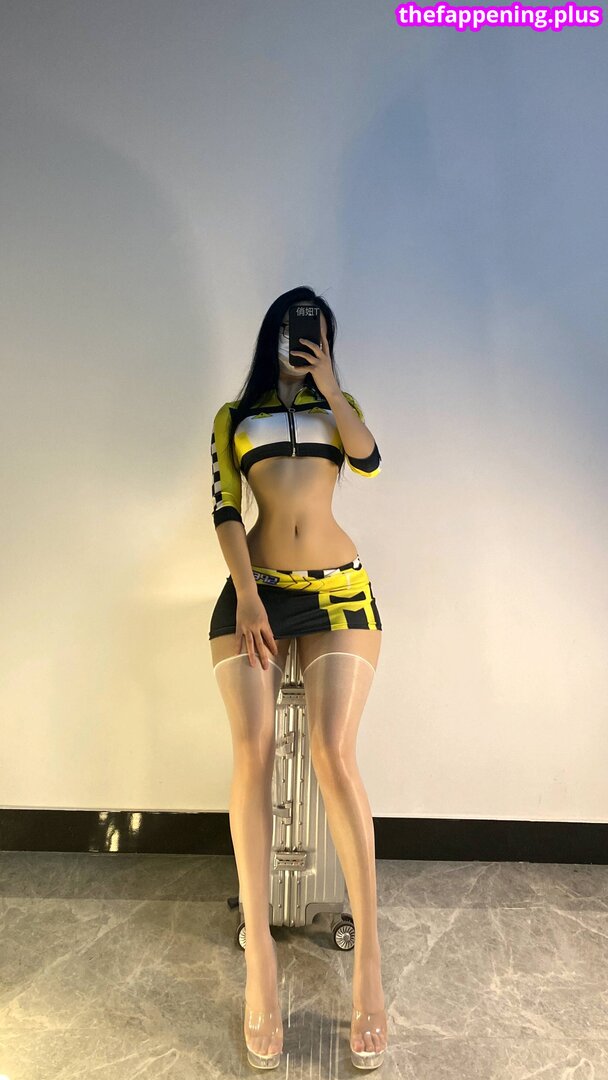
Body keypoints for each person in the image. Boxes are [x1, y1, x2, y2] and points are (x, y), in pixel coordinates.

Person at [209, 286, 387, 1070]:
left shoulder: (336, 406)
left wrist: (332, 383)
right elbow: (225, 509)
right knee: (251, 753)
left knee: (331, 752)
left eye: (311, 328)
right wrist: (247, 593)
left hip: (339, 590)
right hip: (257, 592)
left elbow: (370, 461)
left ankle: (370, 963)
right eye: (288, 324)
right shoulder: (233, 416)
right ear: (269, 332)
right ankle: (261, 962)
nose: (298, 336)